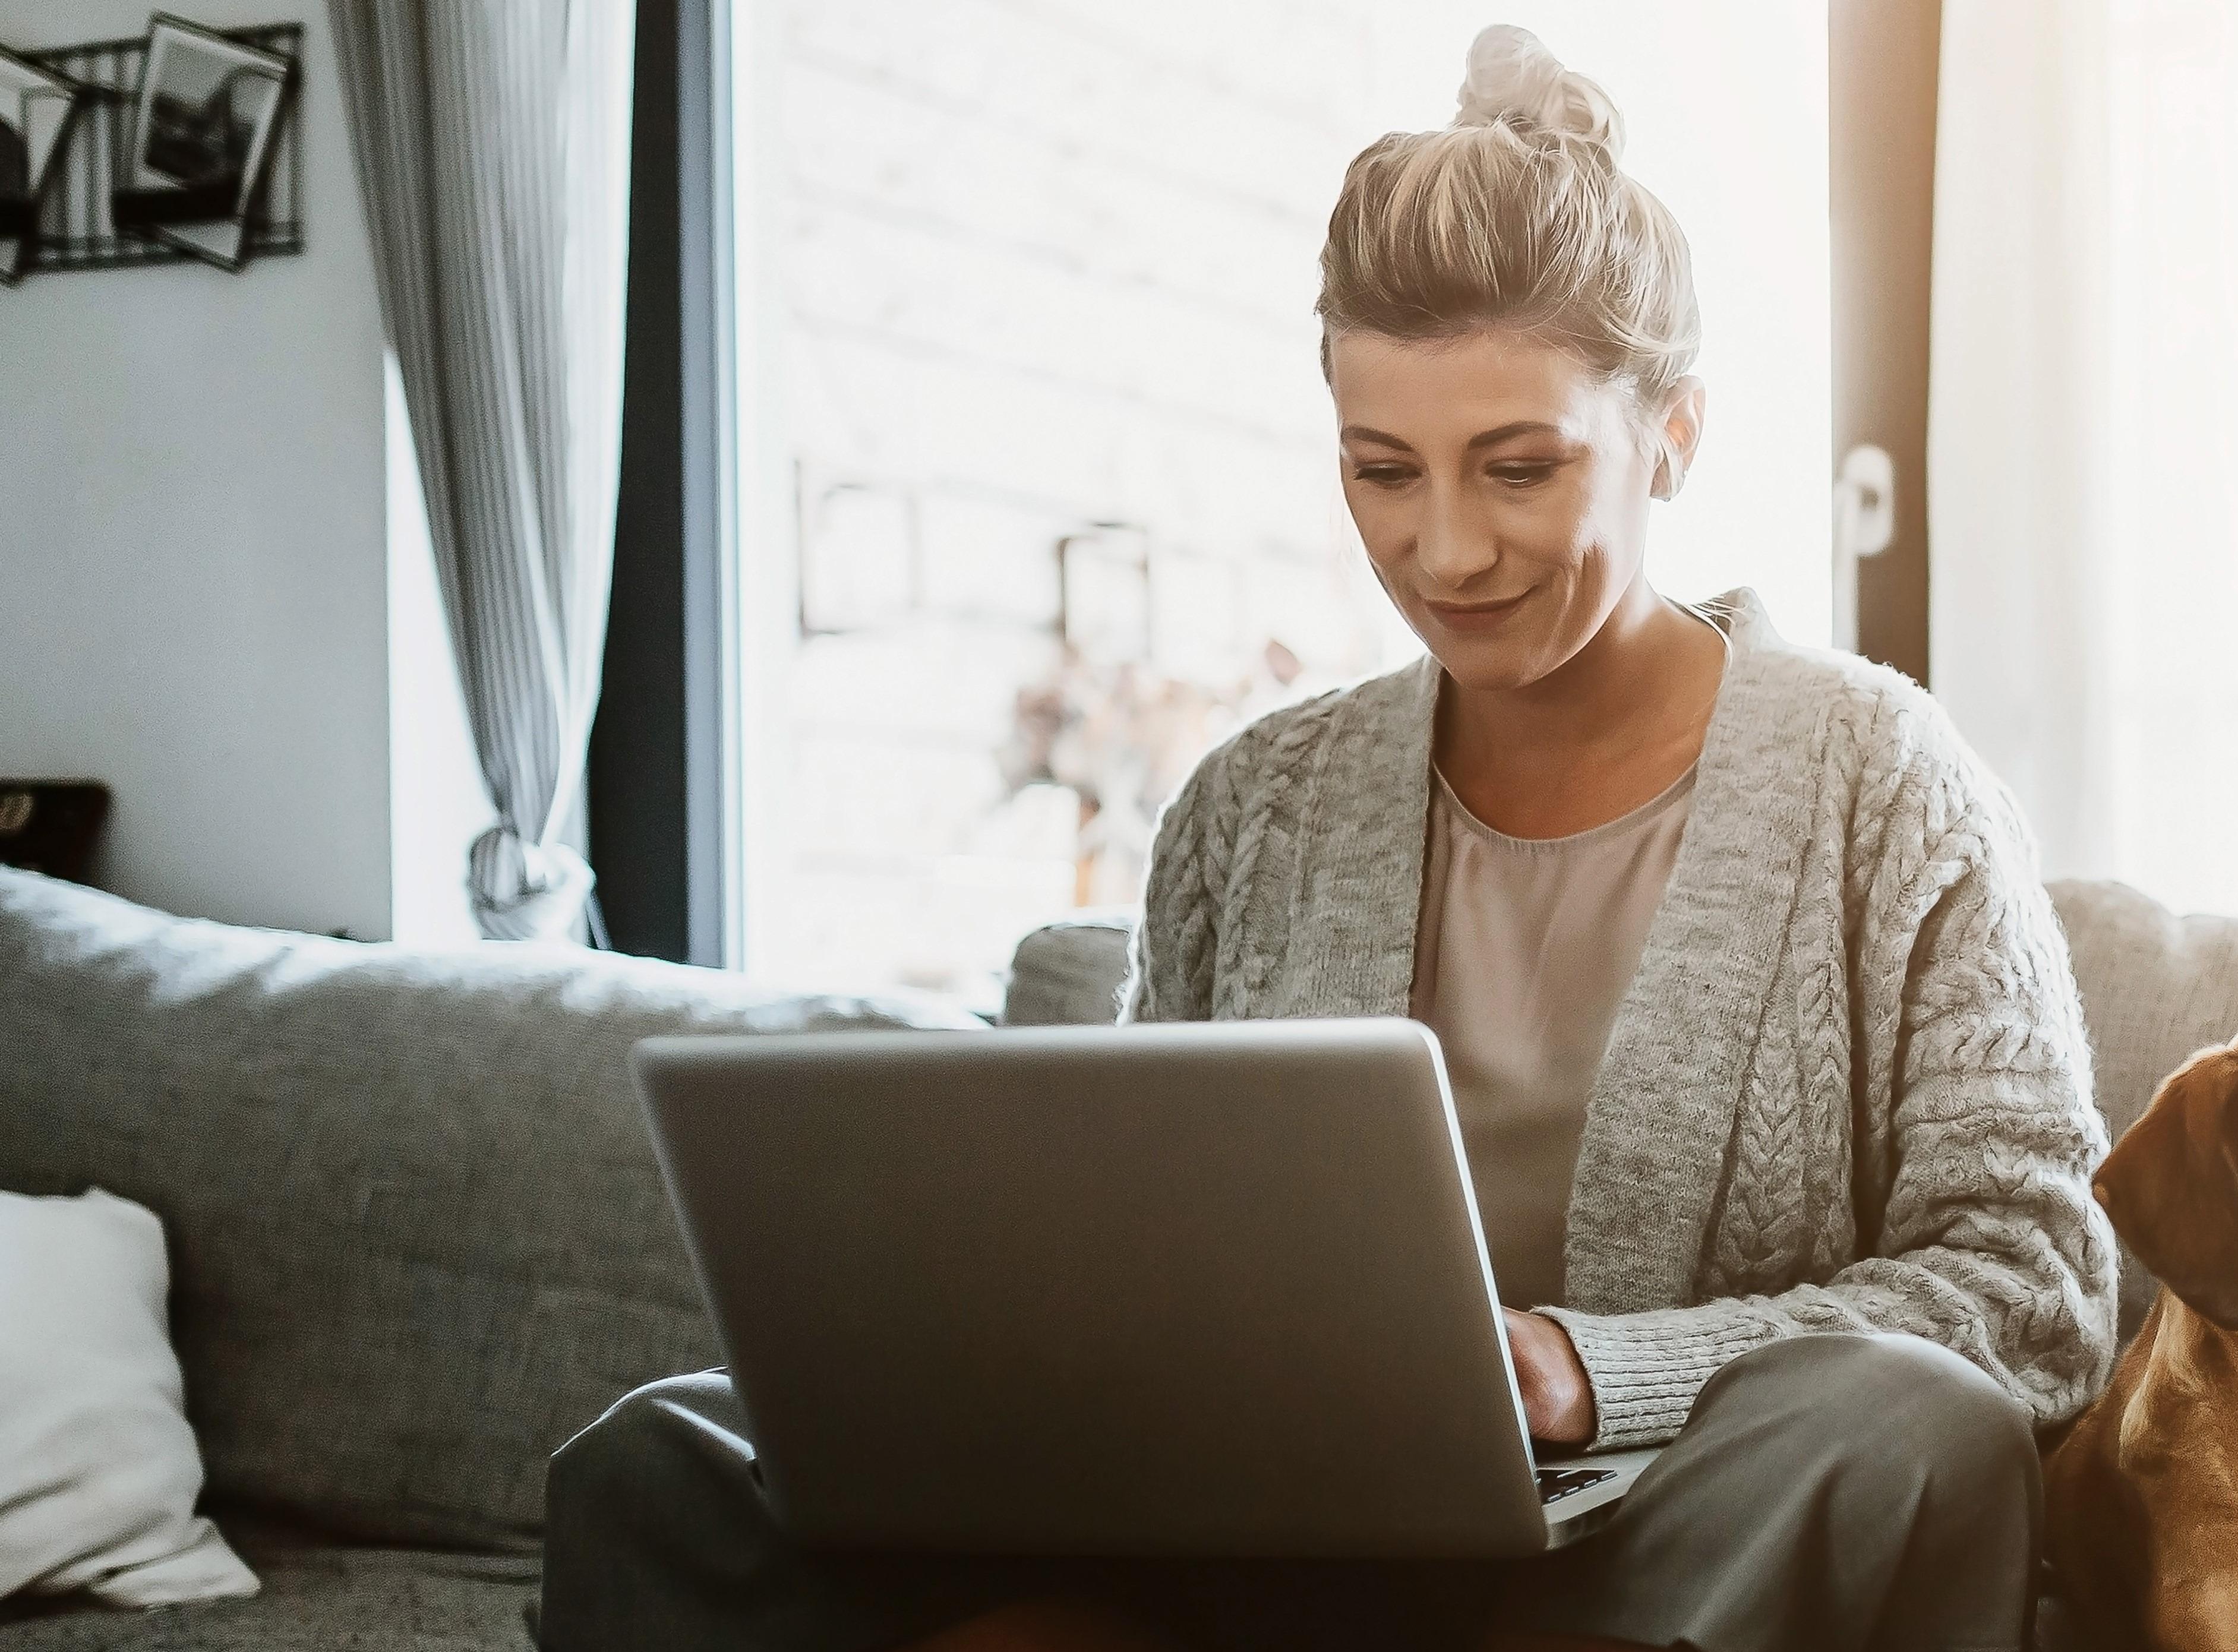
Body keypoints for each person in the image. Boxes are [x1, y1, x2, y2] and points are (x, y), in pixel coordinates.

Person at [532, 27, 2116, 1652]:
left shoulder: (1883, 782)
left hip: (1653, 1545)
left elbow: (2033, 1286)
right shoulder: (1253, 806)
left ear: (1676, 438)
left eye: (1520, 468)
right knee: (660, 1465)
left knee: (1911, 1430)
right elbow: (1133, 1253)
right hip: (1254, 1548)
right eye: (1382, 470)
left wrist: (1591, 1370)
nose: (1446, 548)